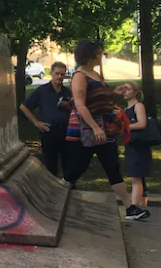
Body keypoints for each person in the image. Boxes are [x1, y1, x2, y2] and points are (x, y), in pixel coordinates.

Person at [63, 40, 146, 221]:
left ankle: (130, 208)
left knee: (112, 166)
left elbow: (100, 97)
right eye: (99, 53)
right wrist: (95, 128)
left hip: (104, 129)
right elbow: (80, 105)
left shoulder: (95, 74)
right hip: (85, 131)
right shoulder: (79, 75)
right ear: (90, 55)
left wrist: (114, 92)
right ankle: (55, 199)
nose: (102, 56)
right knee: (76, 169)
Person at [19, 62, 72, 177]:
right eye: (57, 73)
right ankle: (52, 191)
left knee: (69, 165)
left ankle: (69, 188)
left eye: (62, 74)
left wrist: (68, 107)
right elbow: (24, 107)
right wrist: (36, 122)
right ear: (51, 73)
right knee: (50, 165)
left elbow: (76, 111)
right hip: (49, 132)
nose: (59, 77)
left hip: (67, 132)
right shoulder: (42, 91)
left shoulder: (68, 92)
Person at [117, 81, 152, 220]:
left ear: (135, 92)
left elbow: (142, 123)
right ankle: (142, 207)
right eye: (123, 89)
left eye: (128, 89)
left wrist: (124, 127)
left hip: (139, 146)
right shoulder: (126, 110)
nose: (125, 91)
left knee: (135, 177)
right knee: (138, 177)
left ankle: (135, 207)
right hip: (130, 145)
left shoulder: (138, 106)